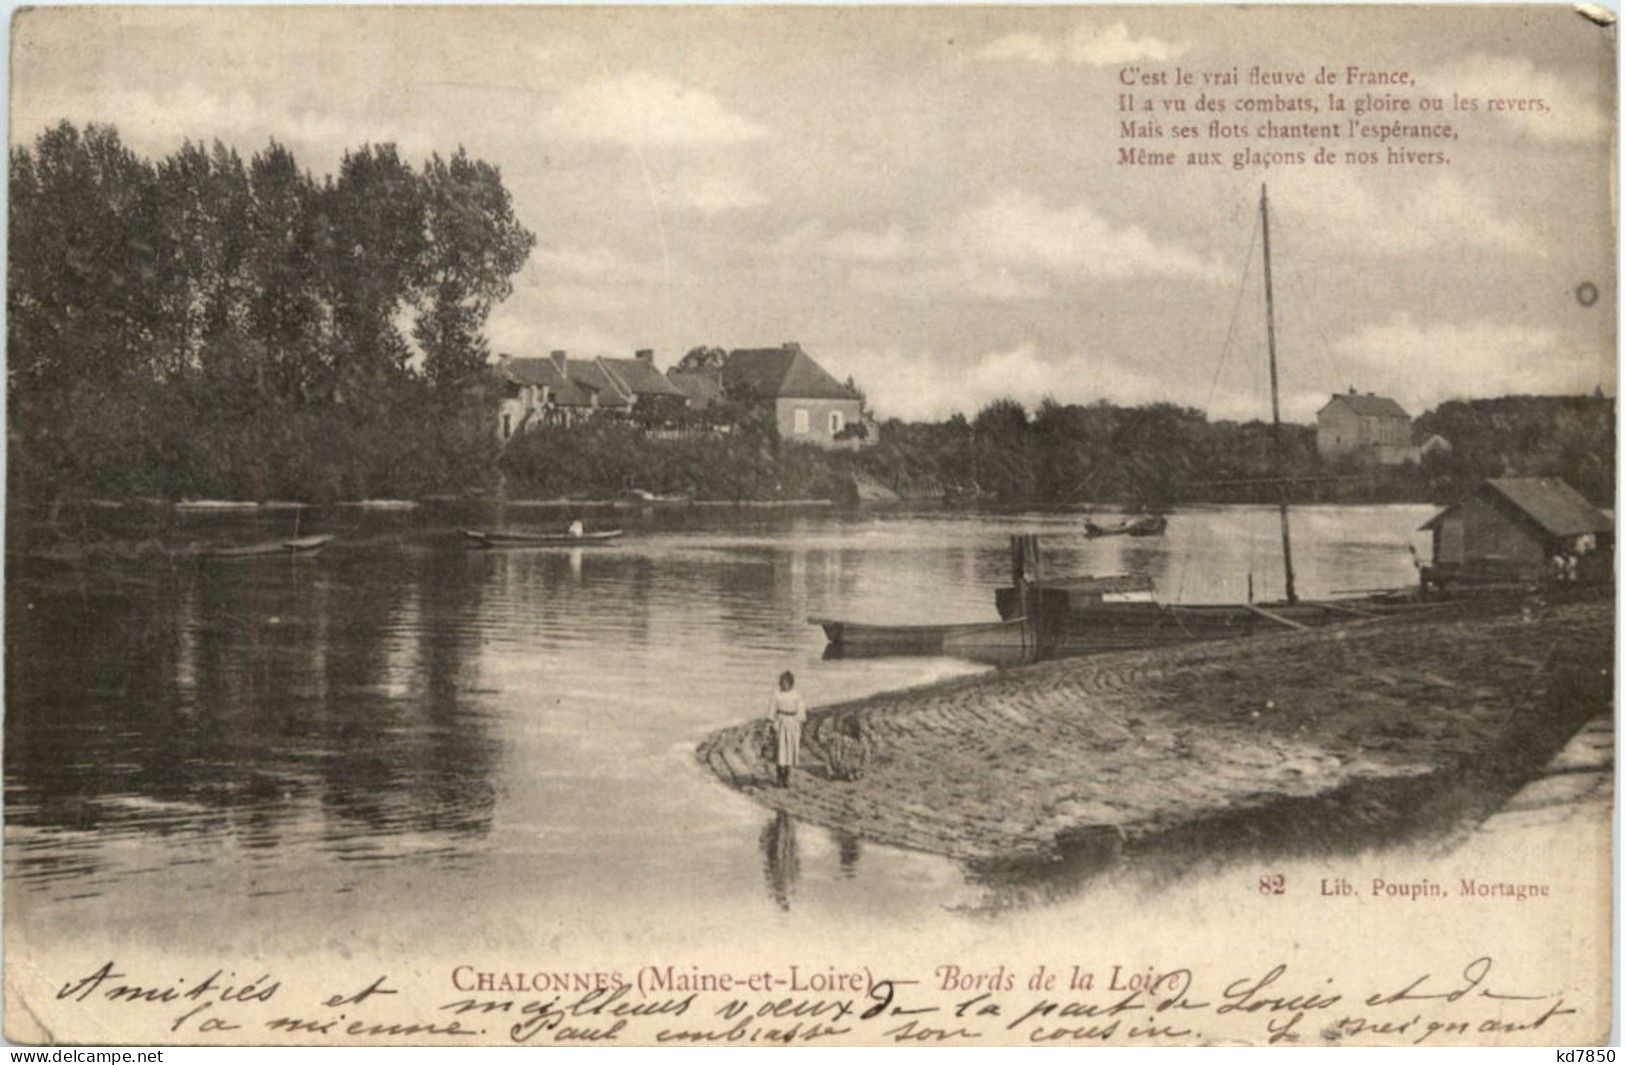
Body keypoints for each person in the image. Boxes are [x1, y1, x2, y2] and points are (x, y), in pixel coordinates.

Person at [768, 670, 806, 787]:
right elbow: (772, 710)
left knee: (790, 750)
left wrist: (800, 725)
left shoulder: (797, 695)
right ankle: (779, 776)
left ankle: (786, 777)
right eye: (781, 682)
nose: (782, 685)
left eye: (784, 682)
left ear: (790, 683)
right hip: (781, 722)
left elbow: (801, 711)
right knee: (780, 750)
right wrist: (771, 723)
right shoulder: (777, 694)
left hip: (792, 722)